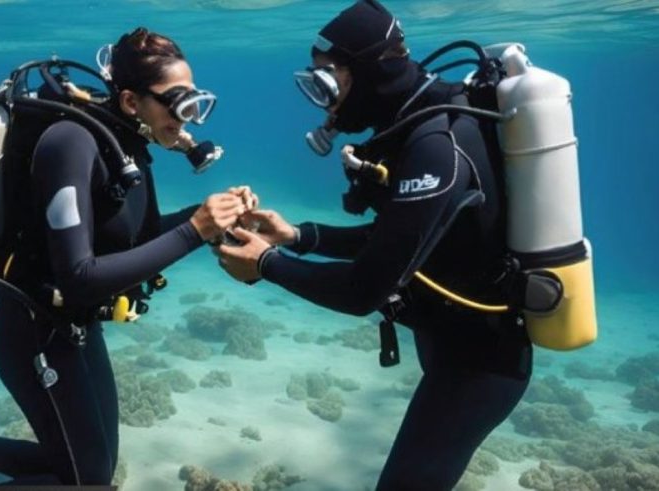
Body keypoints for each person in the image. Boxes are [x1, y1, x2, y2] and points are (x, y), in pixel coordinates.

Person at [0, 27, 256, 489]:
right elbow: (78, 276)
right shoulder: (70, 144)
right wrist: (196, 231)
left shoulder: (128, 147)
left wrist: (206, 219)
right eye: (178, 102)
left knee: (87, 470)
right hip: (34, 329)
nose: (188, 118)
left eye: (194, 101)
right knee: (85, 482)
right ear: (133, 102)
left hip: (75, 326)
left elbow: (140, 237)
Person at [217, 1, 533, 489]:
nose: (326, 103)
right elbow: (404, 239)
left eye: (328, 83)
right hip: (455, 344)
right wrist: (298, 236)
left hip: (481, 362)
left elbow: (363, 289)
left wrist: (266, 263)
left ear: (370, 73)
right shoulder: (418, 126)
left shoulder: (434, 145)